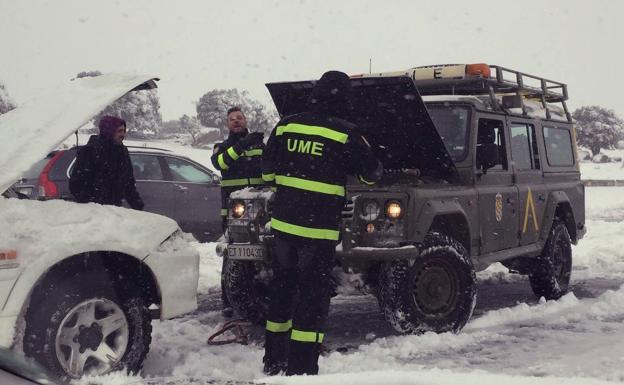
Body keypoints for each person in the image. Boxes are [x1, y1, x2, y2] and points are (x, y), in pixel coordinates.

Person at [261, 71, 383, 376]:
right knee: (312, 300)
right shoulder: (345, 133)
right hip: (318, 232)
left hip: (284, 229)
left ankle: (274, 361)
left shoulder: (287, 124)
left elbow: (266, 172)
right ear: (344, 98)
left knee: (282, 293)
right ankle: (301, 370)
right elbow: (371, 174)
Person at [210, 106, 265, 316]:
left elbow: (271, 168)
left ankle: (259, 293)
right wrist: (241, 146)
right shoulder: (221, 146)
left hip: (262, 209)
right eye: (232, 119)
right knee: (232, 255)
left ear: (245, 120)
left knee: (264, 253)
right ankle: (228, 299)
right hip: (235, 212)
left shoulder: (260, 144)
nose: (236, 121)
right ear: (227, 124)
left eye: (239, 118)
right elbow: (219, 163)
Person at [70, 115, 144, 210]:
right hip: (93, 211)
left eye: (124, 131)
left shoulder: (122, 152)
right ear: (109, 131)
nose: (123, 134)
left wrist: (138, 206)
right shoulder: (89, 151)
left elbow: (128, 183)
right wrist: (93, 203)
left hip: (114, 210)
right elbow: (76, 184)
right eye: (119, 131)